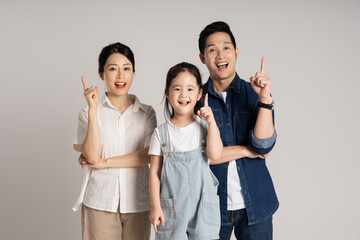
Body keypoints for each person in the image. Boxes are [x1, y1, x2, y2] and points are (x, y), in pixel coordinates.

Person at [197, 21, 278, 240]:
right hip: (210, 206)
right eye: (212, 49)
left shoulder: (254, 94)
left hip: (255, 204)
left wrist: (264, 99)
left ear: (236, 52)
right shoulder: (196, 99)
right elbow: (197, 156)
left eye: (226, 47)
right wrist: (245, 150)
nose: (220, 55)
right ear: (202, 58)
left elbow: (263, 146)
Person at [72, 42, 157, 240]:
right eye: (113, 69)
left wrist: (105, 163)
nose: (121, 75)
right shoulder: (87, 113)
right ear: (101, 74)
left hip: (138, 203)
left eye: (127, 68)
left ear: (133, 72)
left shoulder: (147, 113)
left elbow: (148, 154)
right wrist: (93, 109)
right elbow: (92, 155)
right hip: (100, 202)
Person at [149, 62, 222, 240]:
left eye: (190, 89)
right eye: (177, 89)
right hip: (172, 209)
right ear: (167, 93)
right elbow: (154, 173)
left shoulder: (205, 127)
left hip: (203, 208)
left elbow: (215, 155)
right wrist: (156, 207)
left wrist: (212, 123)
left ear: (199, 94)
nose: (183, 95)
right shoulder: (161, 133)